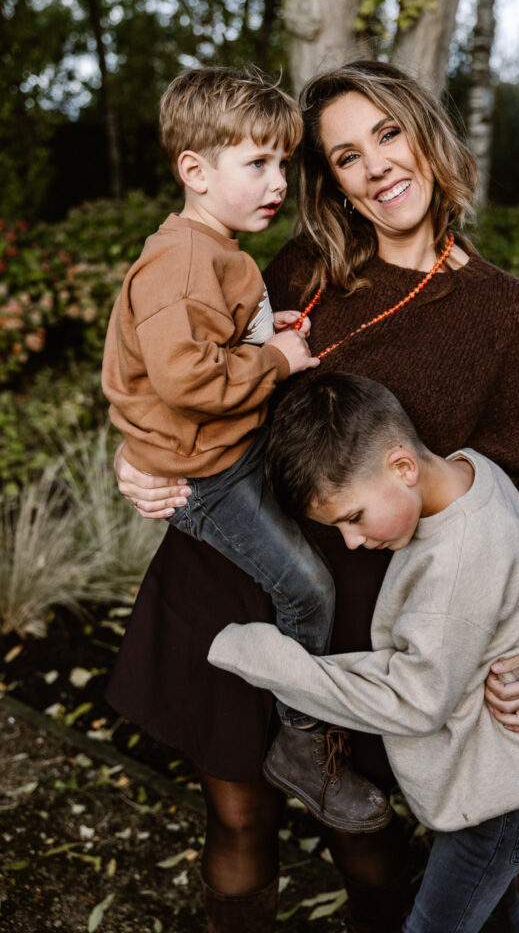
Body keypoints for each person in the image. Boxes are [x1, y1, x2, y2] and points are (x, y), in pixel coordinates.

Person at [108, 60, 519, 933]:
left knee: (362, 832)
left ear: (427, 135)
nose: (375, 167)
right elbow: (187, 365)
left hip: (364, 609)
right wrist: (136, 456)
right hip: (230, 568)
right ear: (332, 181)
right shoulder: (305, 266)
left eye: (387, 134)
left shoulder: (499, 310)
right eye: (344, 156)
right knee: (237, 815)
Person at [101, 65, 392, 834]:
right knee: (308, 591)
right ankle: (299, 741)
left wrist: (265, 331)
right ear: (194, 171)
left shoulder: (215, 249)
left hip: (230, 454)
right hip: (209, 477)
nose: (277, 182)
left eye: (283, 163)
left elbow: (206, 337)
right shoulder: (183, 260)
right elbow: (185, 378)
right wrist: (275, 362)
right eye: (256, 163)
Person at [208, 371, 519, 933]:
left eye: (353, 518)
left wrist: (269, 660)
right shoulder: (471, 471)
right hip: (493, 771)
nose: (354, 542)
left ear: (403, 467)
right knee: (491, 919)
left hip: (503, 790)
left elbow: (414, 700)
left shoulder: (455, 568)